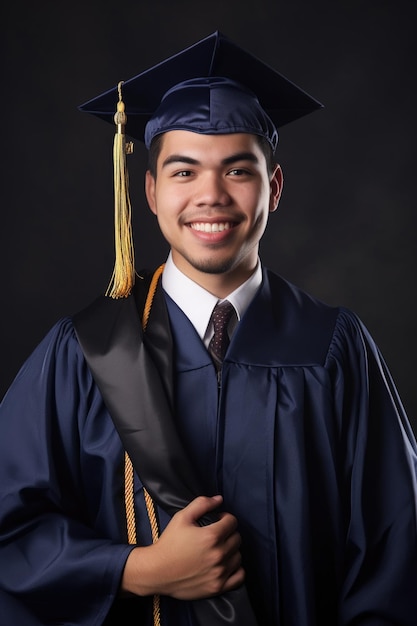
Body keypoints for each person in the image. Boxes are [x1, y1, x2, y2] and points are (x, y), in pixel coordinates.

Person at [0, 31, 416, 626]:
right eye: (184, 171)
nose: (211, 196)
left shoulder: (333, 348)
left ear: (273, 187)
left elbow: (395, 556)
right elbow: (9, 531)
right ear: (149, 191)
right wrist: (138, 570)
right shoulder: (85, 352)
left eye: (238, 170)